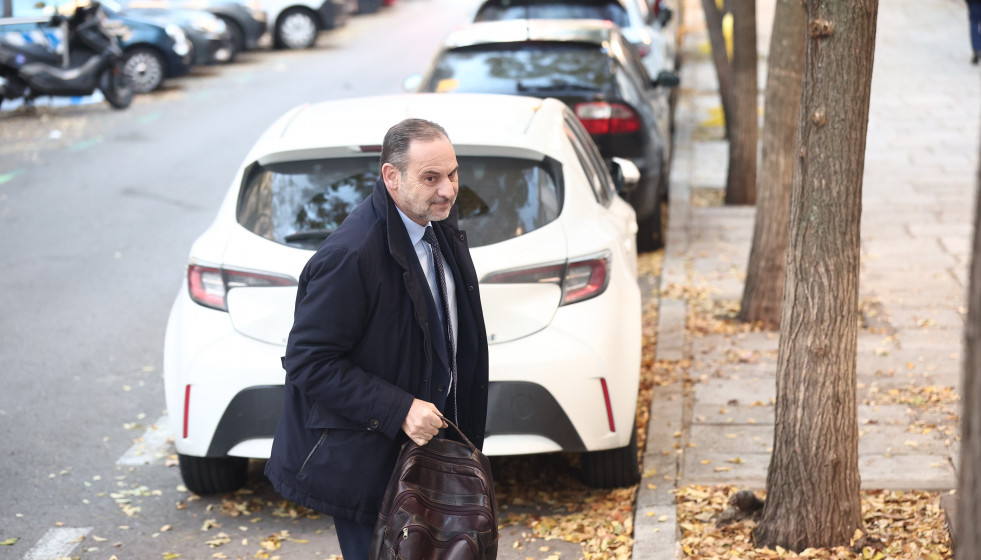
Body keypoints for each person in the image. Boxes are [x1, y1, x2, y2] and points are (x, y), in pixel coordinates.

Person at [264, 118, 490, 560]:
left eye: (453, 174)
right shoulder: (350, 255)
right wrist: (400, 408)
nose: (447, 189)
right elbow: (309, 363)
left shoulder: (437, 224)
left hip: (429, 458)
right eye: (431, 178)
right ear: (392, 177)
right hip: (370, 469)